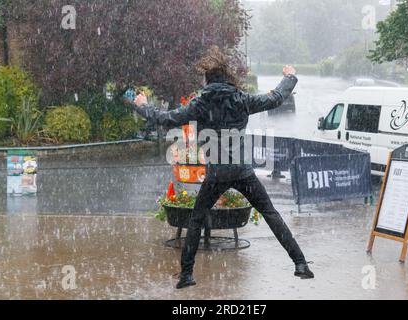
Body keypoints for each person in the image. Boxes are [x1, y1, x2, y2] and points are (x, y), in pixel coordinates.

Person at [131, 46, 314, 289]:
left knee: (196, 220)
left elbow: (165, 118)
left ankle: (186, 275)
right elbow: (276, 98)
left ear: (208, 79)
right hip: (242, 171)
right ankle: (300, 263)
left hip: (216, 174)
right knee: (271, 214)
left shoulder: (200, 104)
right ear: (229, 77)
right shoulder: (242, 99)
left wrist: (143, 105)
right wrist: (290, 76)